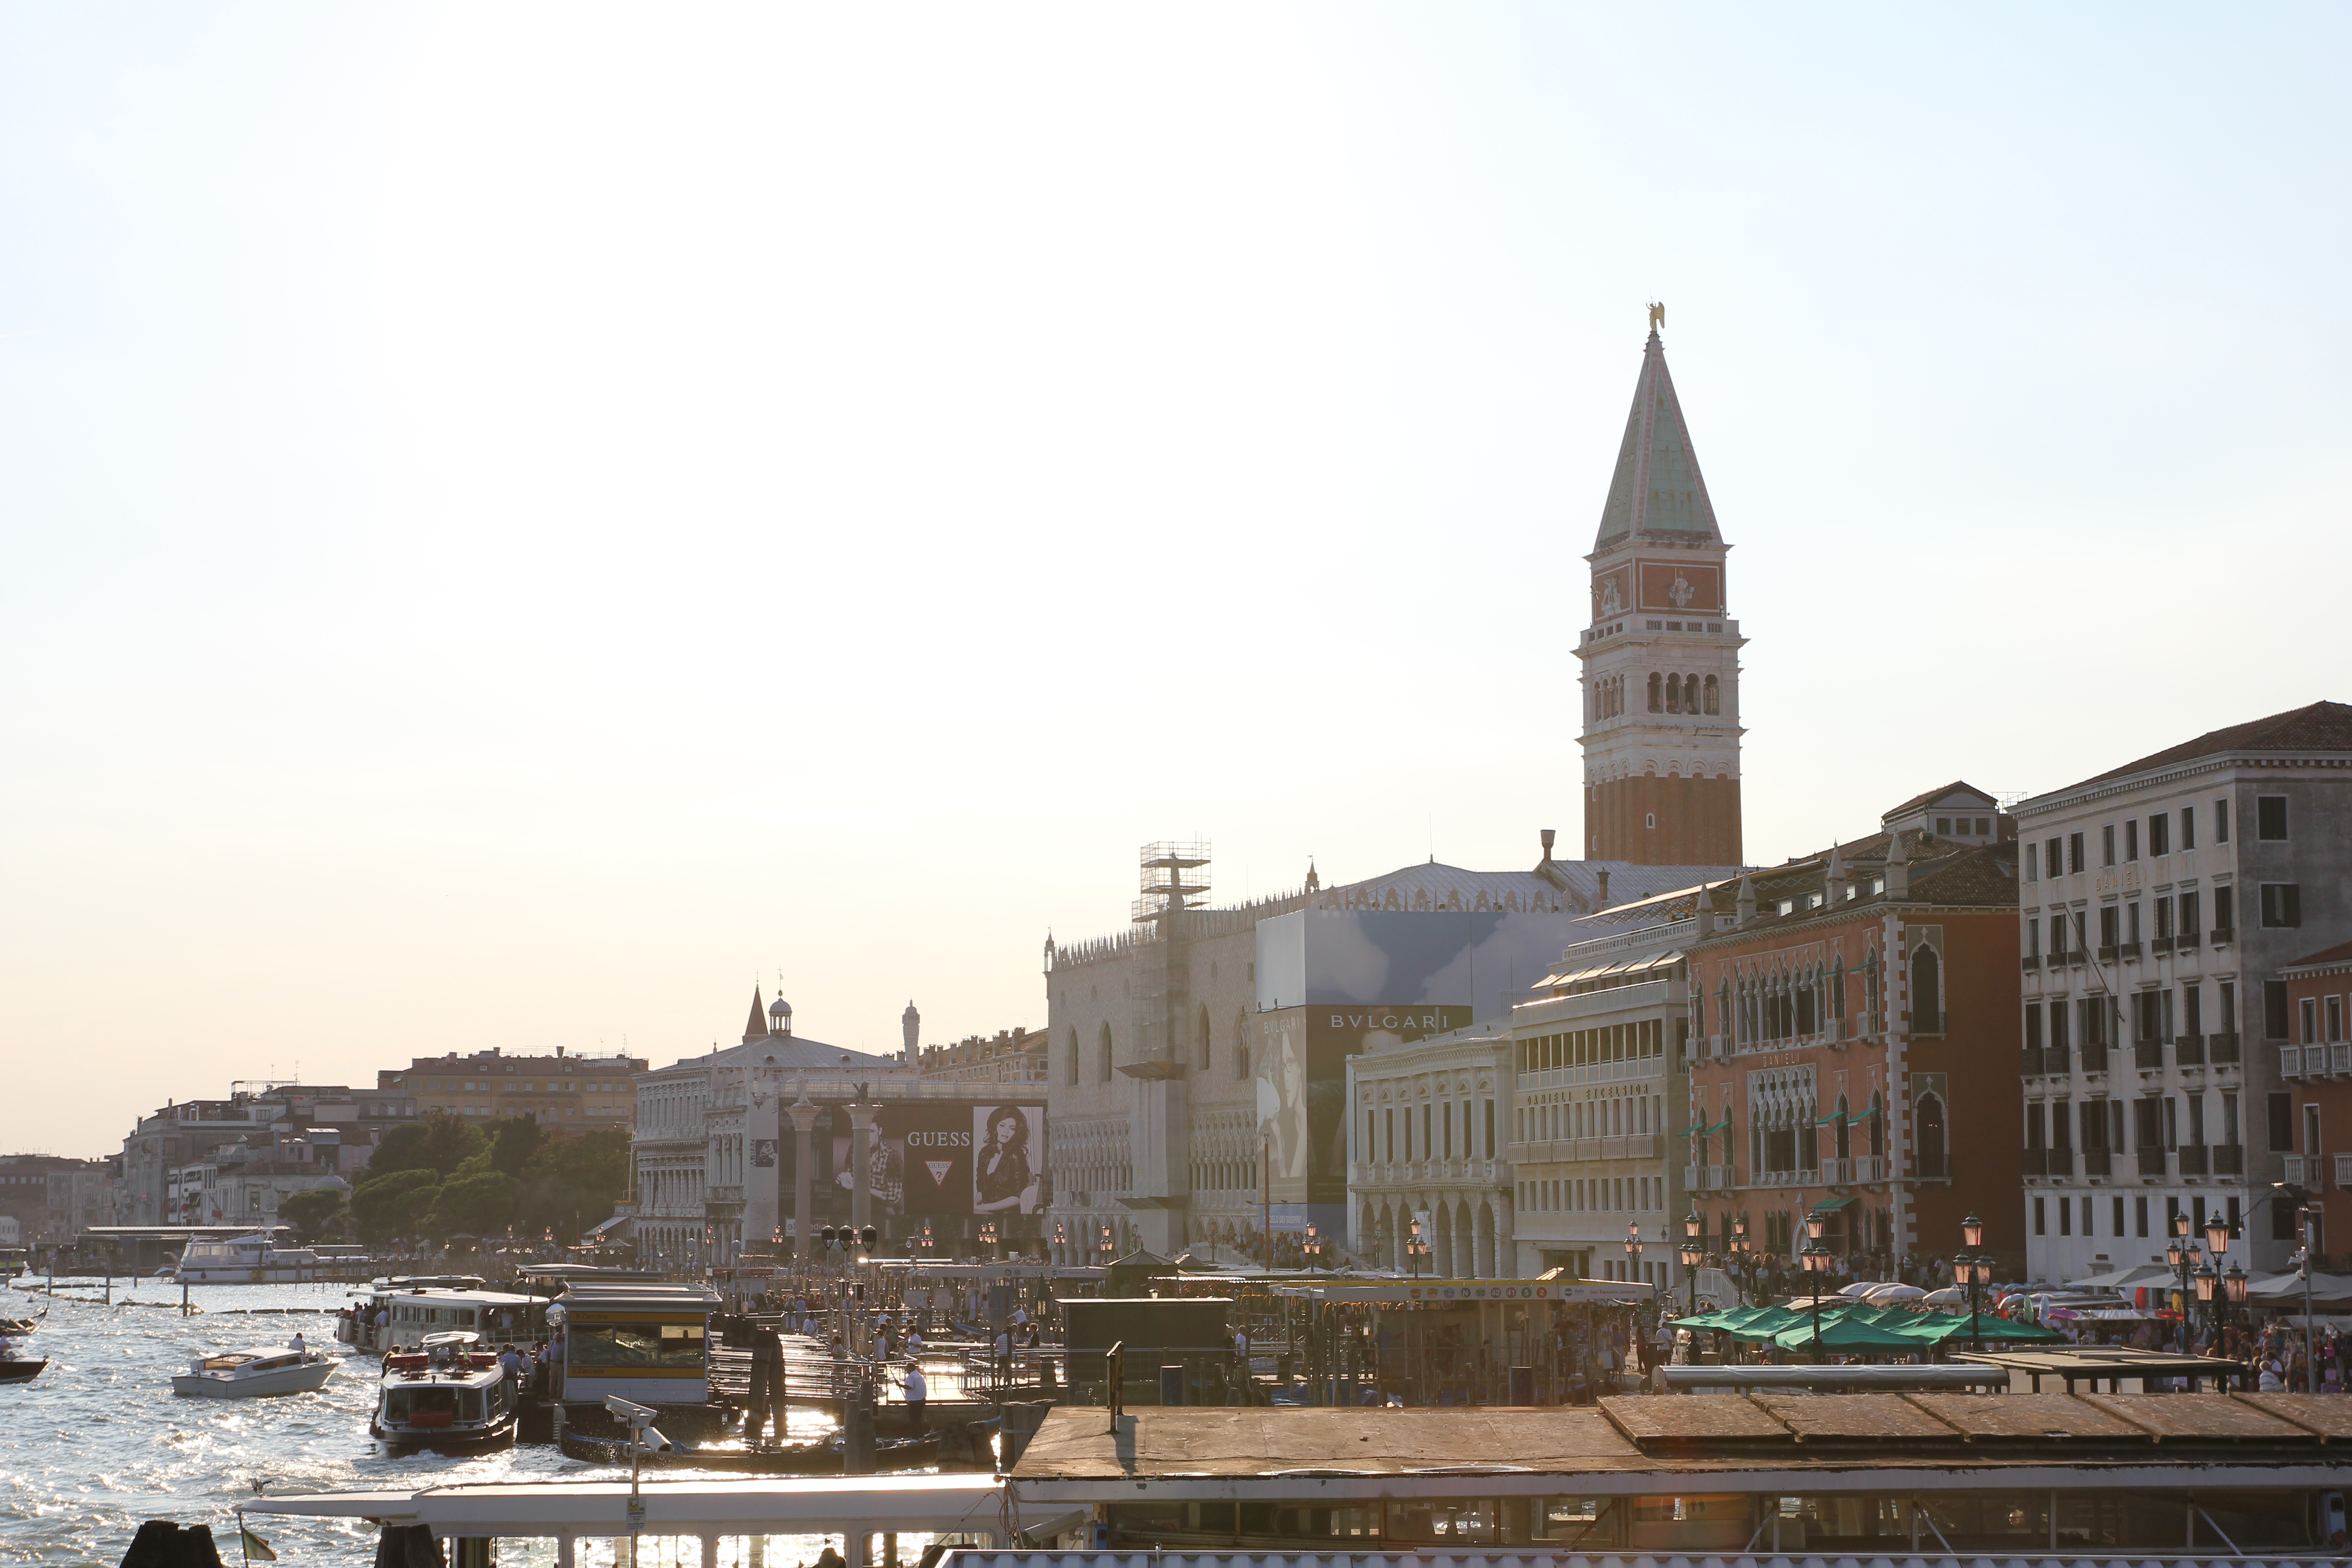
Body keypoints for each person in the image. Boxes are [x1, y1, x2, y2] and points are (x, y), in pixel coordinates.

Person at [974, 1106, 1034, 1213]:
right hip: (987, 1213)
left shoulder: (1016, 1155)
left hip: (1008, 1216)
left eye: (1012, 1128)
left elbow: (1019, 1196)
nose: (1006, 1132)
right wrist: (974, 1206)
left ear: (1017, 1132)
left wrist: (985, 1207)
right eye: (1002, 1126)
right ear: (995, 1126)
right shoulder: (984, 1154)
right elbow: (982, 1190)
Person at [902, 1357, 927, 1434]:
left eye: (907, 1368)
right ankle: (921, 1436)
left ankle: (915, 1438)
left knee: (913, 1420)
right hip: (921, 1400)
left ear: (910, 1368)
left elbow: (910, 1387)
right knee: (918, 1419)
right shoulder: (918, 1375)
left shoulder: (912, 1376)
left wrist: (900, 1385)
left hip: (915, 1401)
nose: (906, 1370)